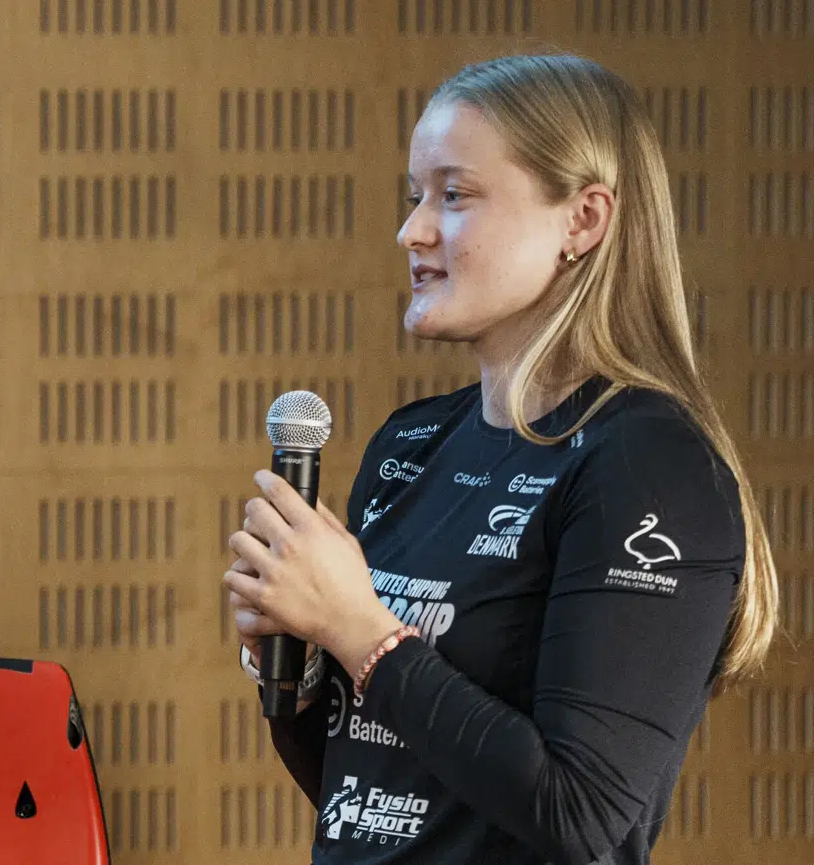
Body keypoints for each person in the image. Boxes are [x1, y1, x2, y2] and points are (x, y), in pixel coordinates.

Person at [221, 54, 778, 865]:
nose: (412, 230)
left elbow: (580, 814)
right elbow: (375, 796)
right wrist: (302, 658)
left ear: (582, 221)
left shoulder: (648, 463)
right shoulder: (411, 444)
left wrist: (361, 631)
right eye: (417, 196)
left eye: (454, 195)